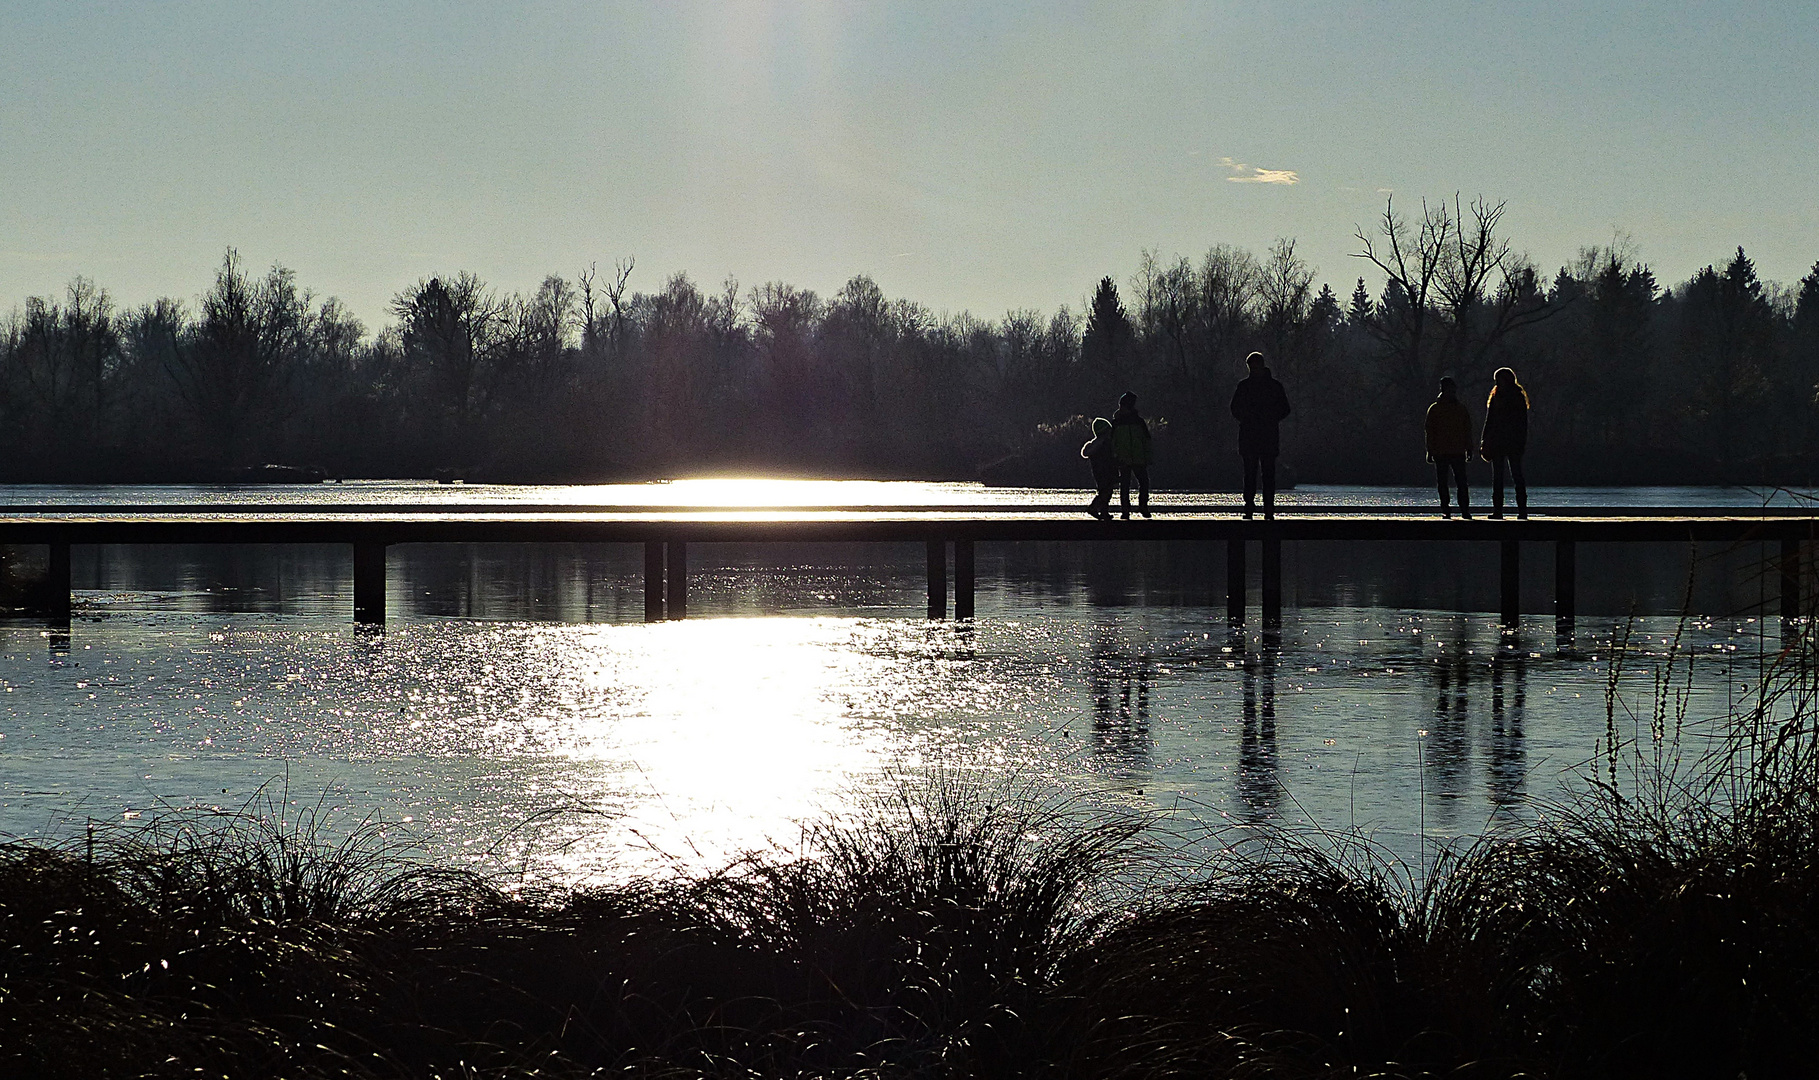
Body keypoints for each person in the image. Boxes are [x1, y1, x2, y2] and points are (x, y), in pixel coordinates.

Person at [1229, 351, 1292, 520]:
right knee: (1254, 474)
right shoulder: (1267, 386)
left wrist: (1262, 419)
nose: (1253, 369)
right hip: (1261, 436)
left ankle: (1264, 508)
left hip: (1260, 436)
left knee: (1263, 474)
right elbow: (1235, 409)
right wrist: (1266, 419)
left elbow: (1285, 409)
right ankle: (1252, 506)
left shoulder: (1257, 386)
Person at [1480, 367, 1529, 519]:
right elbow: (1489, 420)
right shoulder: (1500, 396)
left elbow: (1522, 423)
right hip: (1500, 441)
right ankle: (1500, 510)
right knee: (1500, 477)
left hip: (1510, 441)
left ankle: (1520, 510)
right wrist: (1484, 439)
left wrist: (1521, 442)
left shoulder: (1513, 397)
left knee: (1515, 476)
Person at [1425, 376, 1473, 518]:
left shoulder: (1439, 408)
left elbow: (1467, 430)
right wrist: (1430, 450)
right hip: (1444, 451)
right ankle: (1448, 509)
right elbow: (1430, 431)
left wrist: (1469, 448)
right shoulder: (1442, 409)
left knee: (1459, 483)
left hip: (1453, 451)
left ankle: (1462, 509)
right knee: (1446, 483)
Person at [1111, 392, 1153, 519]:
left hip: (1137, 457)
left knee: (1142, 483)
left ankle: (1141, 506)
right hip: (1125, 458)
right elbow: (1112, 442)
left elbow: (1146, 440)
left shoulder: (1135, 422)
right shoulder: (1119, 422)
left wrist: (1147, 456)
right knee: (1126, 485)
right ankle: (1126, 510)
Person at [1080, 417, 1117, 520]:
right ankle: (1094, 507)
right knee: (1106, 491)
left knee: (1104, 491)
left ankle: (1103, 512)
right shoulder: (1105, 444)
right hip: (1106, 471)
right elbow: (1112, 458)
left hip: (1098, 472)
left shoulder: (1095, 444)